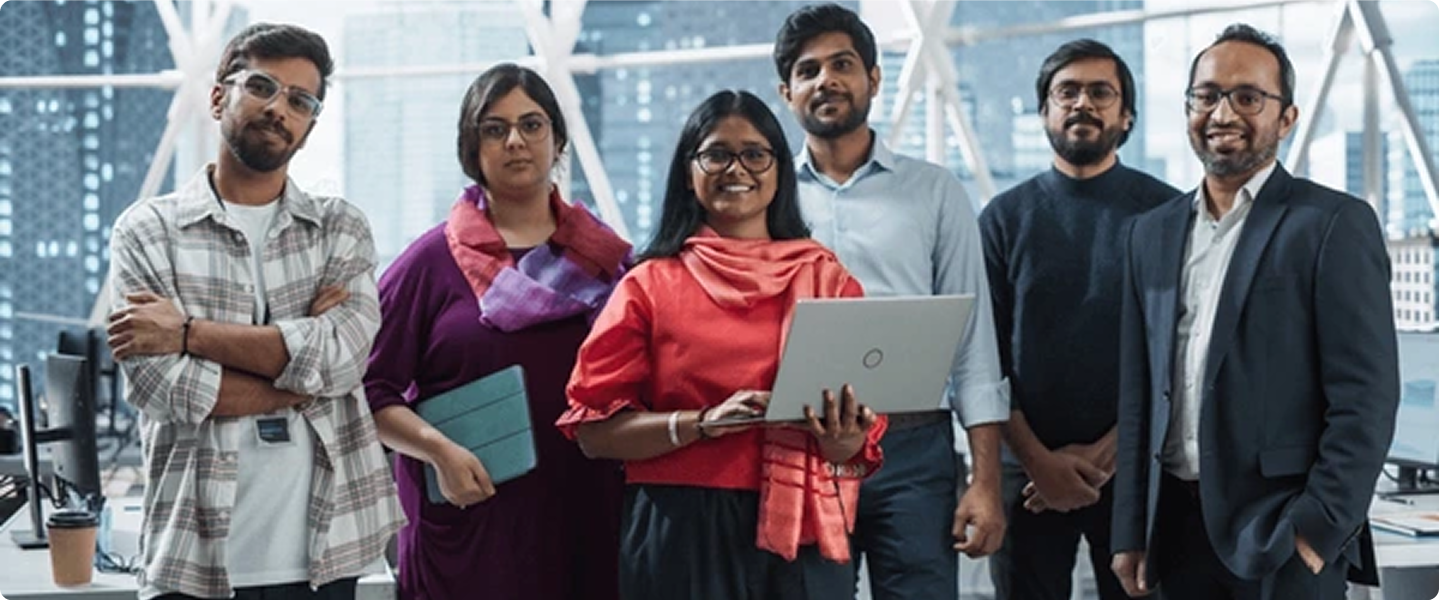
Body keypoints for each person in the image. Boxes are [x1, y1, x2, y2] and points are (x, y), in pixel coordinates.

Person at [104, 23, 404, 600]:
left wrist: (188, 333)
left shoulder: (339, 226)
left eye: (299, 100)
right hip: (194, 554)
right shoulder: (148, 231)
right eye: (262, 86)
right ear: (219, 96)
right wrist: (306, 373)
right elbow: (165, 389)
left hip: (328, 548)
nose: (278, 108)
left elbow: (344, 361)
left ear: (310, 126)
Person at [558, 89, 888, 600]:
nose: (738, 168)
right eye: (716, 153)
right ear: (689, 173)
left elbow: (853, 450)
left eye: (756, 153)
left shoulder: (828, 279)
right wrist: (704, 424)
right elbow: (594, 433)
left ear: (779, 170)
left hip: (804, 534)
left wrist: (842, 439)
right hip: (681, 529)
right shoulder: (648, 285)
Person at [1110, 23, 1399, 600]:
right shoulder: (1151, 234)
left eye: (1247, 97)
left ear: (1285, 118)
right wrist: (1129, 530)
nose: (1223, 112)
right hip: (1174, 533)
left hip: (1280, 535)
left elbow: (1366, 397)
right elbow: (1139, 394)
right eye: (1208, 95)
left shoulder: (1331, 225)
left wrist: (1316, 530)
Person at [361, 63, 630, 600]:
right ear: (472, 146)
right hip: (470, 526)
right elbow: (368, 393)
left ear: (557, 139)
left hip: (589, 519)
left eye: (532, 125)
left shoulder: (612, 262)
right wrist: (439, 451)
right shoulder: (428, 264)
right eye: (494, 127)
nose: (515, 141)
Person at [773, 5, 1010, 598]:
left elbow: (974, 347)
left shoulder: (934, 192)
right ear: (787, 92)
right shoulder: (767, 198)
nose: (825, 80)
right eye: (808, 71)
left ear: (874, 79)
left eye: (842, 65)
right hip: (804, 445)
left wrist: (985, 481)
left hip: (913, 450)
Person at [979, 39, 1178, 600]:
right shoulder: (1002, 219)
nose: (1081, 103)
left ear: (1126, 115)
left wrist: (1104, 457)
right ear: (1045, 111)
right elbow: (982, 357)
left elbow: (1177, 352)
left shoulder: (1165, 214)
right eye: (1066, 91)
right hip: (1028, 473)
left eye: (1100, 92)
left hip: (1136, 469)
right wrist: (1040, 463)